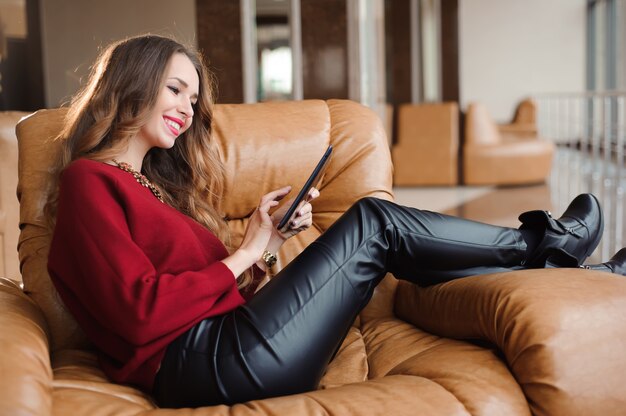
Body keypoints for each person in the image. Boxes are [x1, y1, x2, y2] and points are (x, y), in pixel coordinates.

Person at [45, 34, 626, 409]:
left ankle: (571, 269)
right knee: (375, 222)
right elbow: (141, 312)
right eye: (175, 89)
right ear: (132, 85)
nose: (187, 108)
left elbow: (205, 293)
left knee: (403, 255)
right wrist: (243, 253)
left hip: (233, 346)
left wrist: (267, 244)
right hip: (206, 365)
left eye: (193, 99)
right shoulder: (89, 183)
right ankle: (544, 241)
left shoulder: (151, 188)